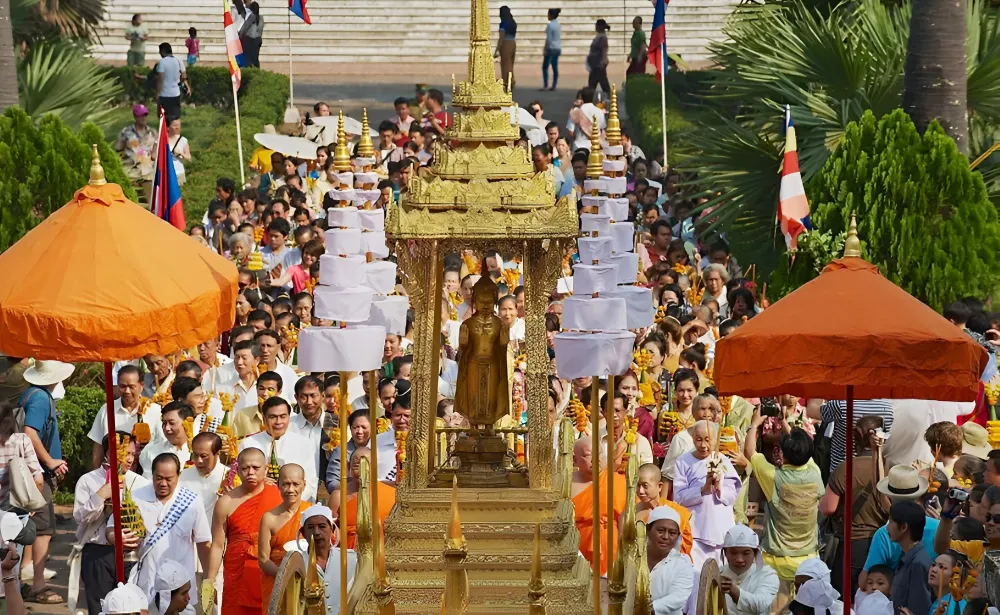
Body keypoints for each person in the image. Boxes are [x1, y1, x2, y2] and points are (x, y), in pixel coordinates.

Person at [744, 409, 825, 612]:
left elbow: (750, 452)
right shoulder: (815, 472)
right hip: (808, 562)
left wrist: (754, 424)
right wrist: (785, 424)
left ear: (783, 453)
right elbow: (801, 451)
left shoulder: (773, 477)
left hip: (776, 563)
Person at [113, 453, 211, 611]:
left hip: (180, 588)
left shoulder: (192, 501)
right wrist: (117, 537)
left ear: (178, 476)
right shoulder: (135, 497)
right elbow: (112, 529)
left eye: (169, 479)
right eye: (158, 478)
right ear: (151, 475)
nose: (163, 483)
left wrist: (208, 579)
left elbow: (203, 542)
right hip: (146, 583)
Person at [73, 432, 148, 615]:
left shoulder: (140, 483)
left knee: (131, 606)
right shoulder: (88, 481)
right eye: (125, 453)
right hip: (98, 552)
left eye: (132, 453)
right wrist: (100, 495)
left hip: (130, 553)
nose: (129, 459)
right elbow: (80, 518)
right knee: (100, 606)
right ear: (108, 453)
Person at [18, 360, 72, 605]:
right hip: (34, 475)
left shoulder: (30, 394)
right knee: (43, 529)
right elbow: (30, 432)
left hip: (30, 472)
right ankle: (37, 584)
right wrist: (49, 462)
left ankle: (22, 581)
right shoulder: (40, 398)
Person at [203, 448, 281, 615]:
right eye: (245, 468)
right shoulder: (226, 502)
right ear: (237, 470)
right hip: (237, 571)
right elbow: (217, 545)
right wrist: (209, 581)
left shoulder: (277, 497)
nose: (250, 472)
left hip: (267, 569)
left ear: (266, 469)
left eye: (256, 468)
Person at [819, 415, 888, 597]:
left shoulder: (845, 468)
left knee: (846, 599)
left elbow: (828, 508)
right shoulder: (890, 468)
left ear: (855, 438)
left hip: (852, 545)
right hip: (883, 544)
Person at [672, 420, 741, 574]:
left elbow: (732, 494)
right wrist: (702, 489)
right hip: (696, 531)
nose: (703, 445)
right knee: (697, 579)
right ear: (692, 438)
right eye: (699, 439)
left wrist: (718, 487)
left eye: (708, 440)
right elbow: (679, 497)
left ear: (716, 440)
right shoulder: (683, 461)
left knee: (720, 578)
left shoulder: (723, 460)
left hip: (720, 530)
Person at [240, 398, 318, 502]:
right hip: (256, 502)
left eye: (283, 416)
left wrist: (290, 502)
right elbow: (240, 478)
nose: (278, 422)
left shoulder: (304, 444)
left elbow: (311, 481)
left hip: (294, 505)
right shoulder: (248, 443)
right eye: (273, 417)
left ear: (289, 418)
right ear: (264, 418)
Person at [570, 438, 626, 576]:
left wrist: (624, 551)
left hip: (611, 546)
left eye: (600, 453)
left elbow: (628, 517)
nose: (596, 459)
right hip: (578, 546)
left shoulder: (617, 481)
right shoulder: (566, 483)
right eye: (589, 455)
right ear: (575, 459)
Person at [258, 464, 311, 607]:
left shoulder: (311, 513)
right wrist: (285, 577)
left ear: (304, 485)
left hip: (307, 584)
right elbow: (263, 559)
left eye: (295, 484)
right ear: (278, 485)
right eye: (286, 484)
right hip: (276, 583)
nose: (290, 489)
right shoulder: (269, 518)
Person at [88, 365, 162, 468]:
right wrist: (96, 474)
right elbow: (98, 445)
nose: (127, 391)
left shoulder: (155, 411)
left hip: (146, 474)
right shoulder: (107, 409)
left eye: (131, 387)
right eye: (123, 386)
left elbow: (162, 444)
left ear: (141, 386)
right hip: (114, 473)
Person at [290, 505, 358, 614]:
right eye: (311, 527)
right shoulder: (296, 564)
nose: (316, 532)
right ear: (303, 533)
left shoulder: (350, 559)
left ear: (332, 529)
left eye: (322, 526)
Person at [340, 447, 396, 549]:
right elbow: (333, 533)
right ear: (349, 466)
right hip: (350, 556)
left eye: (365, 464)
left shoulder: (392, 495)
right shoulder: (339, 496)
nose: (361, 469)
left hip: (384, 553)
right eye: (357, 464)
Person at [718, 525, 779, 615]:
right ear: (725, 553)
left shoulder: (767, 575)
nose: (739, 559)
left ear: (755, 553)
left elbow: (760, 605)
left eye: (746, 553)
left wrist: (736, 592)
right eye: (733, 553)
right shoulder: (718, 574)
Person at [633, 463, 692, 555]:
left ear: (660, 486)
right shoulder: (632, 513)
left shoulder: (675, 511)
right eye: (638, 485)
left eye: (645, 486)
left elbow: (684, 546)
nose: (640, 491)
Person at [886, 500, 932, 615]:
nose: (887, 528)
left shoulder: (918, 563)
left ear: (903, 527)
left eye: (891, 522)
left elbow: (919, 608)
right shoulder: (905, 555)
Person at [646, 506, 694, 615]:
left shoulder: (683, 564)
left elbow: (677, 598)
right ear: (647, 530)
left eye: (672, 533)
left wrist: (645, 608)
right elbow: (610, 581)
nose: (665, 537)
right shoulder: (632, 557)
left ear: (678, 536)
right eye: (660, 530)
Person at [179, 433, 226, 519]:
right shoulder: (184, 475)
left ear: (217, 453)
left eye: (204, 456)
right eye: (195, 455)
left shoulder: (228, 476)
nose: (199, 461)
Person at [139, 402, 195, 474]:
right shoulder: (151, 450)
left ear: (187, 423)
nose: (167, 428)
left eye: (172, 423)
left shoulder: (199, 452)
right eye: (164, 423)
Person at [115, 104, 156, 183]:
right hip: (131, 173)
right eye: (141, 115)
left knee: (149, 195)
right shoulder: (126, 132)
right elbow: (118, 149)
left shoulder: (152, 133)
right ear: (135, 117)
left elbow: (157, 151)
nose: (144, 118)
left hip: (148, 173)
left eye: (145, 115)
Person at [154, 43, 190, 121]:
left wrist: (157, 94)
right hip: (175, 94)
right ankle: (175, 132)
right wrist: (188, 87)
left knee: (164, 119)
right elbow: (184, 77)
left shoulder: (162, 63)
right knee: (175, 118)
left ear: (163, 51)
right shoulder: (178, 61)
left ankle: (166, 132)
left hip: (164, 95)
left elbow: (160, 80)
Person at [494, 6, 517, 92]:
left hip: (506, 44)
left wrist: (496, 50)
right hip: (513, 43)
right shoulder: (513, 22)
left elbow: (501, 38)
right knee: (510, 64)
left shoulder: (503, 23)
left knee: (505, 65)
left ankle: (507, 82)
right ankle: (511, 80)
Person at [587, 19, 611, 94]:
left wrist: (603, 61)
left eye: (597, 25)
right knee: (597, 82)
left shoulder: (602, 37)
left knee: (597, 83)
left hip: (599, 64)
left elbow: (604, 50)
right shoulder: (599, 36)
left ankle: (610, 97)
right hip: (595, 63)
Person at [166, 116, 191, 186]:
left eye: (179, 125)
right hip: (166, 174)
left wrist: (181, 154)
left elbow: (188, 157)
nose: (177, 128)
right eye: (174, 126)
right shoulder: (162, 140)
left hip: (179, 174)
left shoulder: (183, 140)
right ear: (168, 127)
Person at [239, 2, 264, 68]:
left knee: (248, 59)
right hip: (258, 40)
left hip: (249, 40)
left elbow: (245, 27)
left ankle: (248, 72)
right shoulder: (261, 18)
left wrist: (239, 35)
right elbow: (261, 30)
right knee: (255, 58)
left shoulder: (251, 16)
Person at [542, 8, 561, 90]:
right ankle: (554, 85)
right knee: (555, 67)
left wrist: (545, 49)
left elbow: (549, 39)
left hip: (551, 48)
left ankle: (546, 85)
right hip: (557, 47)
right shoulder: (558, 24)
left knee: (545, 67)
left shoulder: (550, 25)